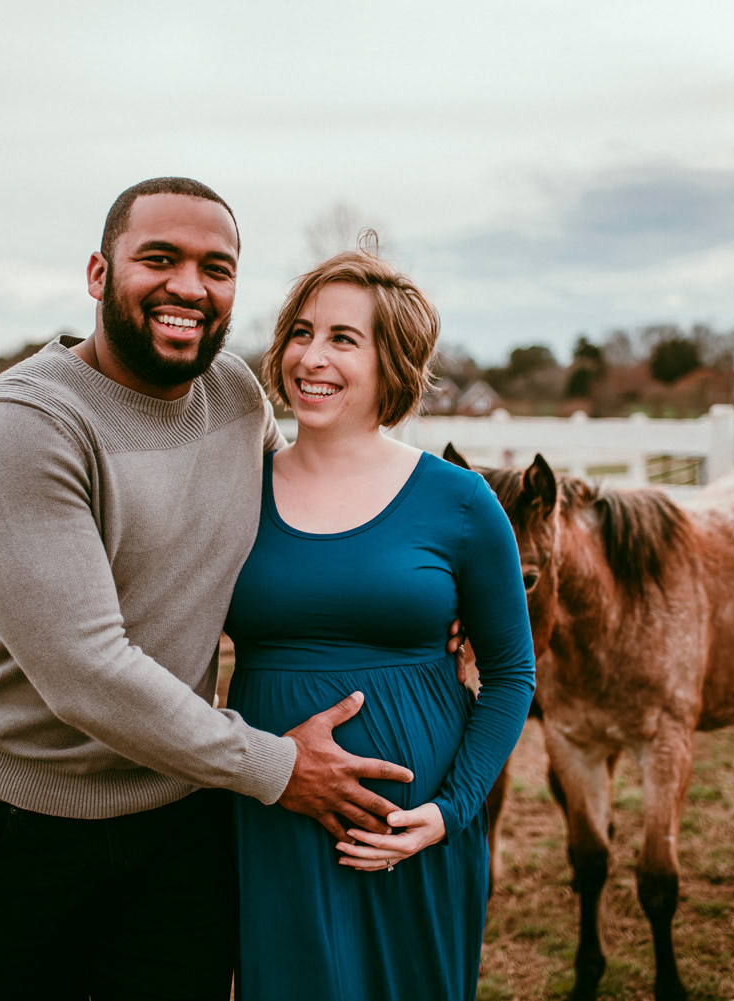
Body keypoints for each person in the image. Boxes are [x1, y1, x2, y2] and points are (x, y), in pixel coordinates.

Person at [0, 178, 425, 1000]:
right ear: (98, 274)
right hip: (21, 817)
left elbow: (296, 536)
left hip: (183, 805)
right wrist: (276, 767)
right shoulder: (21, 424)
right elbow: (87, 671)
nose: (189, 287)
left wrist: (432, 605)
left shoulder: (235, 396)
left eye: (215, 268)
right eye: (159, 259)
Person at [225, 243, 536, 1000]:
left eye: (343, 338)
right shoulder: (233, 491)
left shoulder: (460, 502)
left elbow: (510, 674)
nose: (311, 357)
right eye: (301, 333)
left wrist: (451, 811)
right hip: (272, 805)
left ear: (391, 362)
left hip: (412, 826)